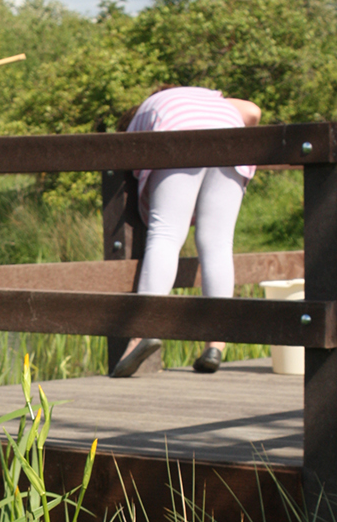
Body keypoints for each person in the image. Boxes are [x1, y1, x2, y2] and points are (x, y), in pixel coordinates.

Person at [110, 86, 261, 378]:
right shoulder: (210, 98)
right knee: (217, 243)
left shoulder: (146, 112)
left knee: (165, 235)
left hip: (177, 132)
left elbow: (132, 166)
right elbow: (253, 112)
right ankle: (216, 343)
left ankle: (144, 332)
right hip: (231, 136)